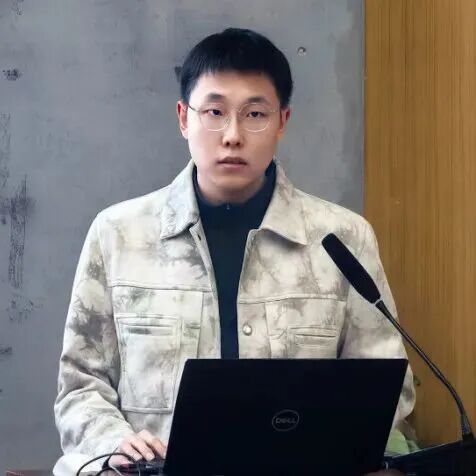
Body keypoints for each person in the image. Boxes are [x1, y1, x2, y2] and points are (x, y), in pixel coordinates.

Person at [54, 28, 415, 471]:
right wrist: (118, 442)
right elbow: (80, 386)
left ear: (282, 122)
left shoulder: (342, 238)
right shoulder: (118, 234)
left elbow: (387, 385)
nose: (232, 135)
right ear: (183, 118)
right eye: (214, 112)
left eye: (255, 114)